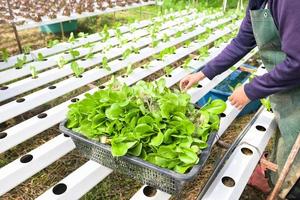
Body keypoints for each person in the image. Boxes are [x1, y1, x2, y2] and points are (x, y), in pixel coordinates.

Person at [180, 0, 300, 199]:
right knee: (288, 140)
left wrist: (251, 90)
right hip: (287, 86)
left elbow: (297, 63)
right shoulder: (257, 3)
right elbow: (241, 42)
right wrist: (203, 73)